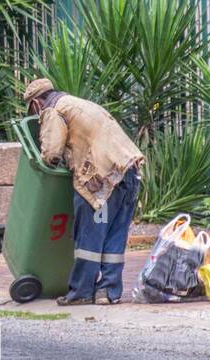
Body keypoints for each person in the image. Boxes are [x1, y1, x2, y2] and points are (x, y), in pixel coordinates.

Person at [23, 78, 143, 306]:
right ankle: (108, 292)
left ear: (36, 103)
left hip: (101, 179)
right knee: (114, 236)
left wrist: (48, 157)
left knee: (90, 237)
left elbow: (52, 151)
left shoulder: (52, 110)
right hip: (128, 171)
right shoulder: (79, 104)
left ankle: (81, 292)